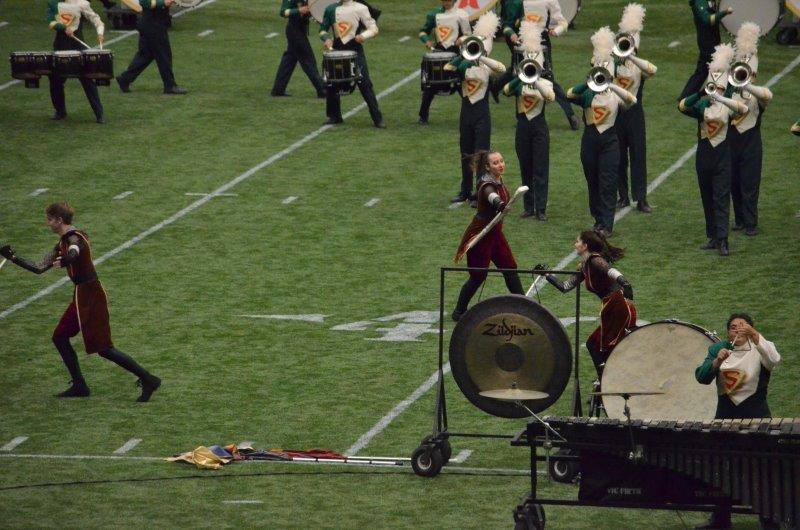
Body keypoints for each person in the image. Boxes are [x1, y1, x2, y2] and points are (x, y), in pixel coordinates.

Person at [0, 203, 162, 402]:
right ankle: (79, 385)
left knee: (104, 349)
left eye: (50, 219)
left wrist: (65, 261)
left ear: (59, 220)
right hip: (81, 295)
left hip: (91, 295)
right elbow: (39, 267)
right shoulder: (62, 243)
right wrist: (13, 257)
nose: (47, 223)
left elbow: (74, 252)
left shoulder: (75, 238)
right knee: (60, 337)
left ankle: (148, 379)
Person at [694, 313, 780, 530]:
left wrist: (755, 335)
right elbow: (702, 377)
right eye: (733, 327)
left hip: (757, 419)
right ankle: (721, 519)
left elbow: (774, 359)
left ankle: (768, 521)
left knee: (762, 472)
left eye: (744, 326)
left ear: (751, 330)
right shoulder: (719, 348)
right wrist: (717, 361)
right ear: (727, 332)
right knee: (722, 470)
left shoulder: (761, 348)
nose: (738, 330)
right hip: (725, 419)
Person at [678, 43, 747, 256]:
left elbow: (743, 109)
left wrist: (722, 97)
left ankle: (723, 240)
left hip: (722, 158)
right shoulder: (702, 107)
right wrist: (700, 94)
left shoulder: (728, 106)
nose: (715, 91)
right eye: (713, 88)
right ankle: (713, 236)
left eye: (719, 88)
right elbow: (682, 106)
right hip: (704, 157)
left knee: (721, 198)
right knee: (707, 198)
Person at [536, 229, 635, 376]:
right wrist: (547, 274)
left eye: (577, 241)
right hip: (612, 308)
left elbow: (610, 270)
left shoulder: (595, 260)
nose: (575, 244)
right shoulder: (585, 266)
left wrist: (624, 282)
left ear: (585, 246)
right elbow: (565, 287)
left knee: (602, 348)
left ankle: (607, 381)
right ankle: (604, 381)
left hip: (618, 308)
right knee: (594, 345)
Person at [567, 27, 636, 236]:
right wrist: (588, 82)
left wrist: (612, 85)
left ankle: (607, 225)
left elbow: (631, 100)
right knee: (593, 181)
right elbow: (570, 94)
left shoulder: (615, 95)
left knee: (608, 183)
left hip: (610, 141)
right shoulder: (587, 94)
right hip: (590, 140)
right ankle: (598, 219)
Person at [452, 150, 525, 321]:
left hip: (495, 234)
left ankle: (525, 305)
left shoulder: (498, 180)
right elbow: (491, 196)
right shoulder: (487, 185)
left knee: (510, 268)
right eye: (495, 163)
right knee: (478, 276)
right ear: (487, 167)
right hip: (481, 236)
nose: (500, 165)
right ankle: (459, 311)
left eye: (501, 161)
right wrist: (500, 204)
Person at [445, 11, 506, 203]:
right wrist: (463, 54)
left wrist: (482, 56)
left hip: (482, 116)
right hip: (466, 114)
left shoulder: (487, 68)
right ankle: (465, 190)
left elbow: (502, 68)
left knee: (481, 156)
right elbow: (448, 68)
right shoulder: (464, 66)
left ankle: (480, 192)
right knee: (465, 154)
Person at [503, 21, 555, 221]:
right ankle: (528, 206)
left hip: (539, 127)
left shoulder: (546, 82)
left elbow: (550, 97)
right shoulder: (520, 83)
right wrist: (521, 77)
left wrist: (536, 81)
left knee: (540, 168)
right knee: (525, 167)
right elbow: (506, 91)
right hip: (523, 127)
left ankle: (541, 208)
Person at [501, 0, 580, 131]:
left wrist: (557, 31)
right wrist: (511, 34)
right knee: (522, 78)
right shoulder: (516, 2)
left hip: (542, 41)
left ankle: (570, 114)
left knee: (548, 79)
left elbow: (562, 22)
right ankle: (521, 117)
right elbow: (507, 24)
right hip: (522, 41)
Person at [613, 3, 657, 213]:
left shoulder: (640, 66)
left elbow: (652, 70)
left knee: (638, 156)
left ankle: (641, 198)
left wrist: (631, 55)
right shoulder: (612, 64)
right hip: (617, 115)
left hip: (635, 115)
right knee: (619, 157)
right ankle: (622, 196)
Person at [729, 23, 772, 237]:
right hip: (732, 139)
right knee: (734, 181)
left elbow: (767, 96)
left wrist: (747, 86)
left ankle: (751, 222)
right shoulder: (730, 91)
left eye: (751, 73)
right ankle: (739, 219)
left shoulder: (759, 93)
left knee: (750, 182)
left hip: (751, 141)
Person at [319, 0, 384, 128]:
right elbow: (322, 30)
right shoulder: (330, 9)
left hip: (355, 50)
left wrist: (363, 36)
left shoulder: (361, 8)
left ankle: (377, 118)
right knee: (331, 82)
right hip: (337, 49)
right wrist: (326, 38)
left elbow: (373, 28)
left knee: (364, 83)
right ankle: (334, 116)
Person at [46, 0, 106, 123]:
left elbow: (96, 20)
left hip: (78, 46)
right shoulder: (54, 3)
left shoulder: (81, 3)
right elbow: (51, 22)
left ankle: (99, 114)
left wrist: (100, 33)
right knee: (55, 79)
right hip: (60, 46)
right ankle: (60, 111)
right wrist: (64, 28)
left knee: (87, 79)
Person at [115, 0, 188, 95]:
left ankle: (125, 79)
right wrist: (163, 3)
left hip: (151, 23)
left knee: (145, 55)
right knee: (164, 55)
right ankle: (170, 86)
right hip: (153, 25)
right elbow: (145, 2)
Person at [417, 0, 471, 125]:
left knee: (461, 85)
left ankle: (470, 115)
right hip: (439, 53)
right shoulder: (434, 14)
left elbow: (468, 35)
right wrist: (426, 40)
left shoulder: (461, 14)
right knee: (430, 86)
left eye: (448, 0)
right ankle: (423, 116)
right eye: (444, 0)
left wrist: (461, 39)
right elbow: (423, 32)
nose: (446, 3)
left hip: (456, 54)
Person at [270, 0, 326, 99]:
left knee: (288, 61)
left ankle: (278, 89)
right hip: (294, 31)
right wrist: (299, 10)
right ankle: (322, 90)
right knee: (308, 60)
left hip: (300, 30)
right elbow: (283, 12)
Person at [678, 0, 732, 101]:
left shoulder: (709, 1)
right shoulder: (699, 2)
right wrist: (725, 12)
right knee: (722, 66)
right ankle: (729, 93)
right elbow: (708, 19)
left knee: (702, 71)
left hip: (712, 39)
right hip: (707, 42)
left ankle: (686, 96)